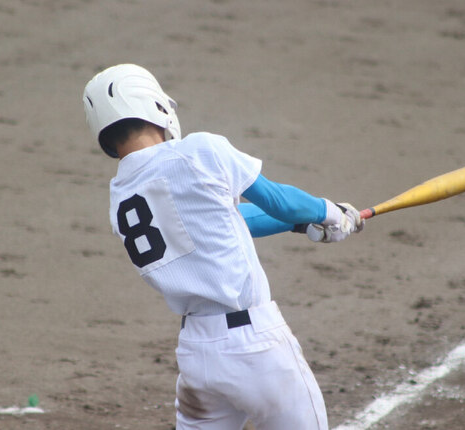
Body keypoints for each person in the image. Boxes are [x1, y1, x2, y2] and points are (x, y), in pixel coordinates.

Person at [82, 64, 364, 430]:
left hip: (197, 357)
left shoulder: (121, 196)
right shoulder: (198, 151)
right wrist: (329, 212)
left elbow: (223, 221)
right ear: (155, 106)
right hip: (257, 350)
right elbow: (279, 200)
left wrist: (299, 223)